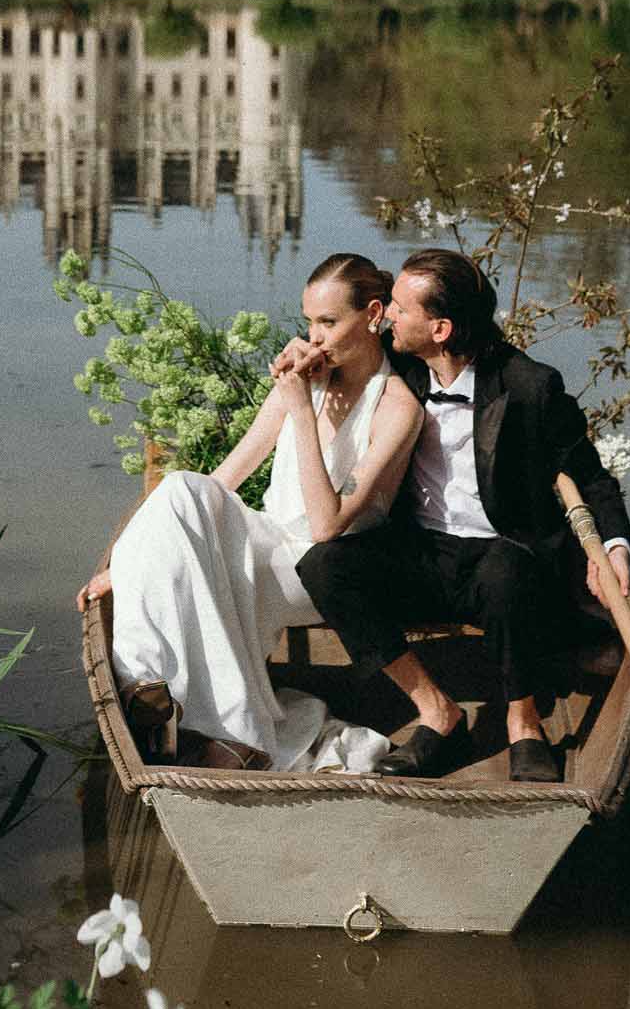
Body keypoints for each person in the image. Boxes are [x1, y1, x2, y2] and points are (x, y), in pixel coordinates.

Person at [76, 253, 424, 772]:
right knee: (178, 489)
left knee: (209, 548)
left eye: (329, 322)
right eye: (310, 321)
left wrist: (301, 408)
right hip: (268, 535)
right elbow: (223, 480)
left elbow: (329, 525)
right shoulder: (308, 379)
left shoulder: (397, 406)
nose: (315, 336)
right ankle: (146, 687)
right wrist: (128, 561)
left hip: (323, 566)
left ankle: (231, 732)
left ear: (373, 314)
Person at [296, 247, 630, 783]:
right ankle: (437, 710)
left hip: (499, 552)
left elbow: (590, 478)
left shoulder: (529, 386)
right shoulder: (397, 363)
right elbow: (343, 341)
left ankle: (524, 722)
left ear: (441, 328)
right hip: (420, 549)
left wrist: (613, 547)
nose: (387, 317)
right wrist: (310, 360)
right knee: (323, 566)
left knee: (507, 573)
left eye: (402, 309)